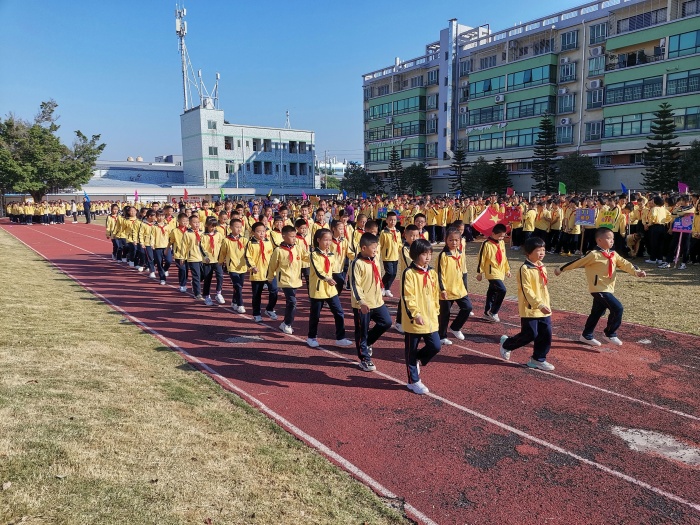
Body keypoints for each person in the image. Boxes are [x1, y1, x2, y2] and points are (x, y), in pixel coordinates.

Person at [555, 227, 646, 346]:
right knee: (618, 308)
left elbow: (625, 264)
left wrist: (637, 272)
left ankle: (586, 335)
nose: (612, 241)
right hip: (598, 289)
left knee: (597, 312)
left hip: (608, 288)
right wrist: (561, 269)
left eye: (613, 238)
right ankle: (610, 333)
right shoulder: (593, 254)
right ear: (599, 240)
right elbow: (577, 262)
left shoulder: (613, 254)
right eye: (609, 238)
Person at [499, 236, 555, 371]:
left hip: (544, 307)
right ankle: (507, 344)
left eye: (543, 250)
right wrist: (539, 304)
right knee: (530, 334)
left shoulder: (542, 266)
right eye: (538, 250)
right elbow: (527, 290)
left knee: (546, 333)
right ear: (529, 252)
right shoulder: (524, 269)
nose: (542, 253)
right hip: (530, 308)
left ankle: (538, 359)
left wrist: (545, 304)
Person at [400, 238, 441, 395]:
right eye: (424, 254)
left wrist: (436, 309)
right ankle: (413, 381)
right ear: (416, 255)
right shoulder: (409, 273)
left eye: (430, 254)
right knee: (411, 350)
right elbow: (408, 296)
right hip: (414, 320)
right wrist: (415, 314)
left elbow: (435, 292)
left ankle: (419, 359)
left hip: (430, 317)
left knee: (435, 346)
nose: (428, 257)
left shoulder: (432, 272)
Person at [349, 232, 392, 372]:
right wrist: (361, 302)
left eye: (376, 247)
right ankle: (364, 359)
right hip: (362, 304)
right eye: (373, 248)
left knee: (386, 322)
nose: (376, 250)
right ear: (363, 248)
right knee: (362, 331)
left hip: (377, 301)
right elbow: (355, 285)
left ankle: (367, 343)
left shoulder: (374, 259)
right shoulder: (357, 263)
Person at [307, 228, 353, 348]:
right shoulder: (314, 255)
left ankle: (340, 338)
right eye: (325, 240)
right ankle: (311, 337)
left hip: (330, 289)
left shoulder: (331, 255)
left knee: (339, 312)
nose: (328, 242)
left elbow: (335, 270)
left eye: (329, 240)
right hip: (318, 289)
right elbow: (318, 271)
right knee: (315, 315)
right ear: (318, 240)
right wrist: (327, 278)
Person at [267, 225, 308, 334]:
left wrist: (317, 256)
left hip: (295, 280)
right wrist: (270, 277)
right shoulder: (278, 250)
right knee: (292, 301)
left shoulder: (297, 248)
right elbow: (272, 266)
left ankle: (284, 323)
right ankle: (287, 324)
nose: (294, 238)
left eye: (295, 236)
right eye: (291, 236)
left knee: (290, 303)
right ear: (284, 236)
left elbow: (306, 257)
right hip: (284, 280)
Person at [437, 227, 472, 345]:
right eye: (451, 240)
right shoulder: (443, 255)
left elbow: (462, 271)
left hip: (459, 289)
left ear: (460, 240)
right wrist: (442, 289)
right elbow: (439, 274)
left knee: (467, 307)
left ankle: (455, 327)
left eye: (457, 240)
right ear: (446, 240)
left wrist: (464, 287)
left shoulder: (460, 253)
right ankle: (442, 336)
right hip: (447, 290)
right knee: (444, 315)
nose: (454, 242)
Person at [475, 223, 511, 323]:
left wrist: (507, 269)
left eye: (503, 236)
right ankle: (493, 311)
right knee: (502, 290)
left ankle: (487, 312)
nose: (501, 238)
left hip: (500, 271)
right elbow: (481, 258)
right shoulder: (486, 244)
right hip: (492, 272)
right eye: (499, 236)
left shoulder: (501, 243)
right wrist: (480, 273)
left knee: (492, 292)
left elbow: (504, 257)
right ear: (493, 233)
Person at [246, 222, 278, 322]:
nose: (261, 233)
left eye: (263, 231)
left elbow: (273, 256)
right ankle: (256, 313)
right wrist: (253, 267)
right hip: (257, 273)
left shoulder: (268, 242)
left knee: (274, 291)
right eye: (259, 231)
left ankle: (269, 309)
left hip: (270, 272)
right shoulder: (250, 243)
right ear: (253, 232)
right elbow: (248, 257)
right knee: (257, 294)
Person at [394, 225, 420, 334]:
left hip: (417, 277)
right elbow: (410, 263)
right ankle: (399, 322)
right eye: (412, 236)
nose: (414, 238)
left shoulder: (419, 247)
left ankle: (411, 319)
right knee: (404, 300)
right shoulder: (404, 249)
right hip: (407, 278)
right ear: (406, 236)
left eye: (416, 235)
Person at [219, 218, 248, 313]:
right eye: (236, 227)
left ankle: (234, 301)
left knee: (239, 286)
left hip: (242, 266)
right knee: (238, 285)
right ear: (231, 228)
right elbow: (222, 252)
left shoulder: (244, 240)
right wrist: (220, 262)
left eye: (240, 227)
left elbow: (249, 253)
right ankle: (240, 304)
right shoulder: (226, 240)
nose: (239, 229)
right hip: (232, 266)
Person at [200, 217, 225, 306]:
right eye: (211, 226)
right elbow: (201, 248)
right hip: (208, 261)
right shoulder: (203, 236)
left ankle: (218, 293)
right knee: (207, 278)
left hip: (217, 260)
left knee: (220, 276)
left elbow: (223, 245)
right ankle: (207, 296)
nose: (213, 228)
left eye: (214, 226)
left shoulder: (218, 235)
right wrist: (205, 257)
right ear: (206, 225)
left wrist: (223, 257)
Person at [378, 211, 401, 297]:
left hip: (395, 256)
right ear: (387, 220)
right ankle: (381, 287)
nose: (392, 222)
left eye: (394, 220)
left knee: (394, 274)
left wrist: (402, 251)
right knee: (389, 273)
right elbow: (380, 244)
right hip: (387, 257)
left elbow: (399, 244)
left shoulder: (398, 232)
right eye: (390, 220)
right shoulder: (384, 232)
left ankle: (387, 288)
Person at [182, 215, 205, 300]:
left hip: (202, 258)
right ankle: (197, 293)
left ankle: (194, 283)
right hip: (192, 257)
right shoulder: (187, 233)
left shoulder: (202, 233)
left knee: (203, 275)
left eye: (198, 222)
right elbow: (184, 246)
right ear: (190, 223)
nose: (197, 224)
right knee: (196, 276)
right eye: (194, 222)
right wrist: (182, 257)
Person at [169, 212, 191, 292]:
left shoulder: (189, 231)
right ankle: (182, 284)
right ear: (178, 221)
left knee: (186, 269)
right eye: (183, 221)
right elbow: (171, 241)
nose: (185, 222)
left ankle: (184, 283)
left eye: (186, 221)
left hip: (188, 253)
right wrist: (168, 249)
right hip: (178, 253)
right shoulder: (175, 231)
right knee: (182, 269)